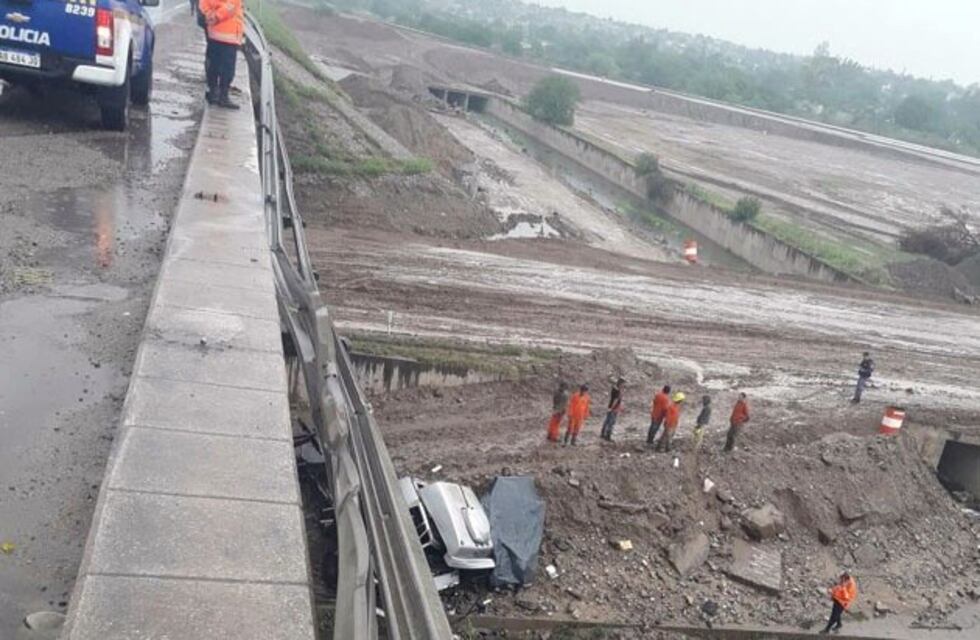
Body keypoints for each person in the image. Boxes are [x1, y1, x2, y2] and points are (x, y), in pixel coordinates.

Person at [199, 0, 244, 109]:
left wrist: (209, 15)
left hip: (214, 32)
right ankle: (223, 97)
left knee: (213, 65)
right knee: (227, 70)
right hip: (229, 35)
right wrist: (217, 16)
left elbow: (203, 3)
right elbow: (232, 5)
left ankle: (212, 93)